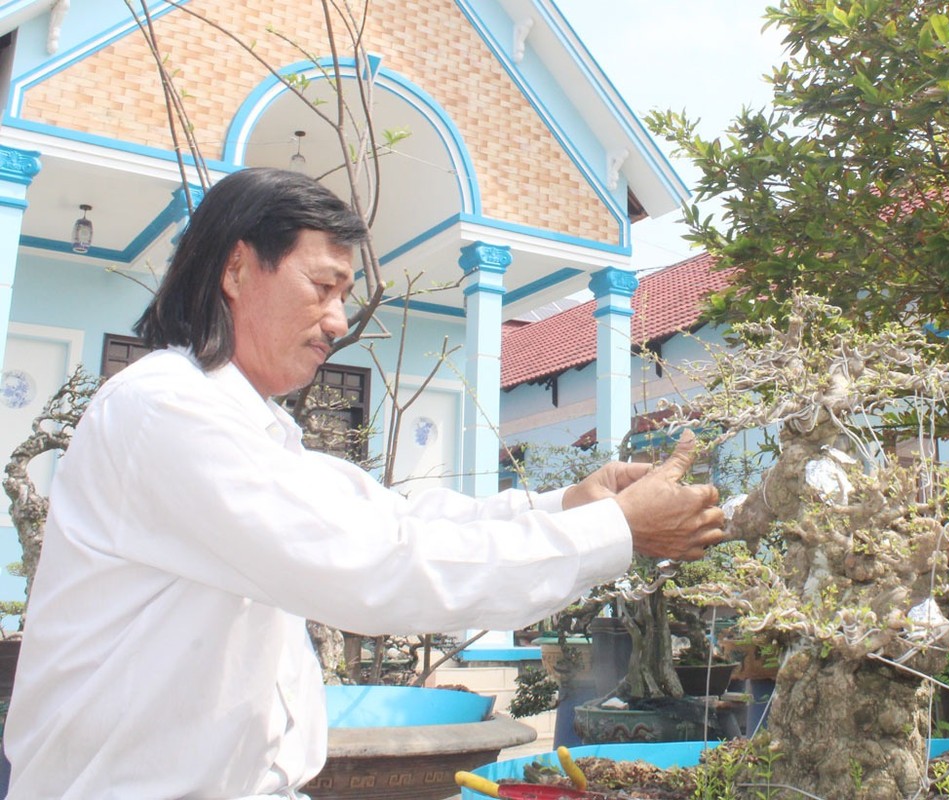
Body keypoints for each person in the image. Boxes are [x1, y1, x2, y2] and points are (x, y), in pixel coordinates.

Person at [3, 168, 726, 798]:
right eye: (322, 286)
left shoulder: (251, 425)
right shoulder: (165, 410)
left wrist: (567, 501)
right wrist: (616, 530)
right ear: (234, 268)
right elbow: (375, 568)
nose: (337, 321)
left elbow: (399, 521)